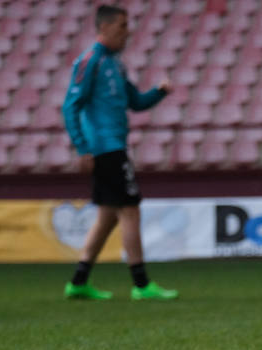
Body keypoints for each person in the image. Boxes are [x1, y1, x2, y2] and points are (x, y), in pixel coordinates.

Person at [61, 4, 178, 301]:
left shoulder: (115, 64)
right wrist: (82, 147)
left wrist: (159, 92)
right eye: (122, 26)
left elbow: (135, 102)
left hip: (113, 146)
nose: (128, 32)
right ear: (105, 27)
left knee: (108, 217)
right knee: (130, 209)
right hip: (105, 147)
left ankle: (78, 282)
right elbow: (70, 106)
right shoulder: (90, 61)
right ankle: (141, 285)